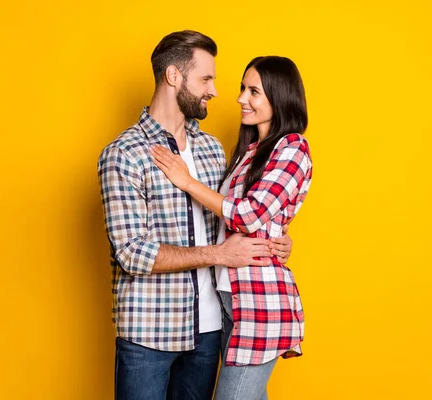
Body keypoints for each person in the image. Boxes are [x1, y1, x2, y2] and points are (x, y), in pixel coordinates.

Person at [97, 31, 293, 400]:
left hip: (209, 331)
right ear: (174, 76)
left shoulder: (212, 149)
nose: (216, 91)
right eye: (206, 79)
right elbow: (131, 252)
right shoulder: (124, 154)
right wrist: (218, 255)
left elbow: (234, 217)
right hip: (148, 333)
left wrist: (274, 240)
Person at [151, 55, 312, 400]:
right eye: (243, 88)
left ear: (280, 97)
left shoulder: (293, 147)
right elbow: (235, 222)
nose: (240, 98)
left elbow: (248, 216)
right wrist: (279, 238)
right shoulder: (247, 152)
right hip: (229, 298)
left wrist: (187, 181)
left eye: (254, 91)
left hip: (260, 299)